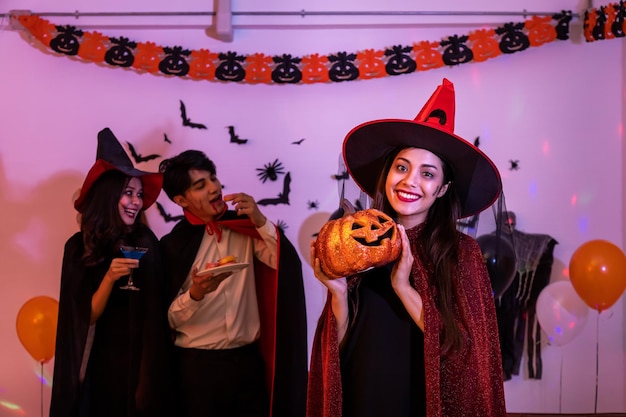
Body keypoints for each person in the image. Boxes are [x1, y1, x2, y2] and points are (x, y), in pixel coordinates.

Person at [307, 79, 507, 417]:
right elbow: (337, 351)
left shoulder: (463, 253)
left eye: (427, 173)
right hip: (363, 397)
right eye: (402, 167)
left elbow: (463, 357)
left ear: (442, 189)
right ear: (387, 174)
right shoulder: (360, 242)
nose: (409, 181)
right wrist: (338, 293)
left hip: (420, 402)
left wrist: (401, 286)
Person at [158, 150, 308, 417]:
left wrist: (260, 221)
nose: (214, 188)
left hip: (248, 363)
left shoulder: (245, 229)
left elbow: (282, 265)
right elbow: (166, 321)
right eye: (200, 185)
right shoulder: (171, 248)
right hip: (198, 368)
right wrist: (195, 293)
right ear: (181, 199)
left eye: (213, 178)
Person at [50, 128, 172, 417]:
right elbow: (85, 317)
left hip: (141, 365)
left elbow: (156, 311)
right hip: (98, 364)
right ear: (108, 195)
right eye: (128, 193)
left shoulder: (146, 241)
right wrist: (109, 278)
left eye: (139, 195)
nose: (136, 202)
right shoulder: (79, 247)